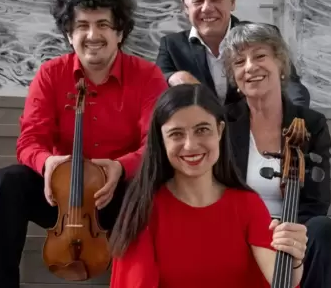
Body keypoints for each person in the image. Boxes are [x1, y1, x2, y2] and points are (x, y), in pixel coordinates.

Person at [0, 0, 168, 288]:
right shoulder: (50, 74)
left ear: (120, 32)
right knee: (8, 181)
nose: (93, 35)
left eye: (103, 24)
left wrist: (121, 166)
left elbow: (155, 145)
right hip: (61, 198)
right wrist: (47, 164)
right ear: (68, 32)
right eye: (82, 25)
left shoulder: (147, 76)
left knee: (152, 189)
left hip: (117, 196)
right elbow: (30, 140)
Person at [108, 84, 307, 288]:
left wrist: (294, 257)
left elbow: (280, 280)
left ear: (219, 131)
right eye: (176, 134)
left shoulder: (247, 204)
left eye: (202, 130)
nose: (191, 145)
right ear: (161, 139)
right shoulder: (144, 210)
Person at [220, 23, 331, 288]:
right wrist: (256, 225)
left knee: (323, 229)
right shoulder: (222, 122)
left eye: (260, 56)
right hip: (237, 228)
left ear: (280, 64)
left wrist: (283, 227)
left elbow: (316, 201)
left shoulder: (311, 123)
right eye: (240, 61)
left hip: (290, 229)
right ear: (235, 77)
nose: (250, 66)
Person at [155, 0, 310, 106]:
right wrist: (175, 77)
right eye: (198, 0)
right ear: (185, 7)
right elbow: (155, 81)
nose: (207, 8)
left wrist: (297, 118)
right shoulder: (171, 46)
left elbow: (291, 85)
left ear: (232, 2)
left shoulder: (264, 36)